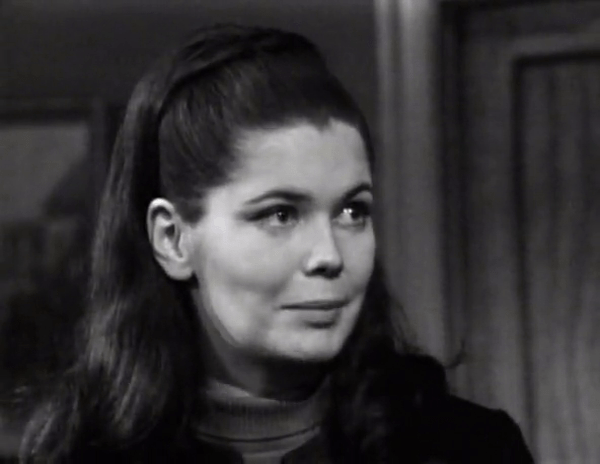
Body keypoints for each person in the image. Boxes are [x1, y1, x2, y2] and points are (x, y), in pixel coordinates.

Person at [19, 24, 534, 463]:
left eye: (352, 212)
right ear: (173, 239)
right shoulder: (79, 454)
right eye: (281, 214)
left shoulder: (470, 448)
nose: (330, 256)